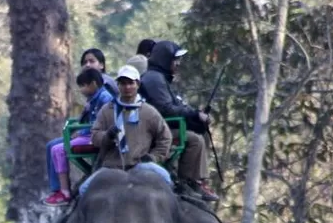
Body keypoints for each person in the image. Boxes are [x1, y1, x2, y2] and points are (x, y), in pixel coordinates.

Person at [61, 65, 172, 202]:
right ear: (118, 85)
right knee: (84, 190)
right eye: (123, 83)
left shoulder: (149, 112)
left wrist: (154, 157)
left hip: (140, 165)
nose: (127, 87)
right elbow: (95, 136)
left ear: (137, 84)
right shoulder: (107, 110)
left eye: (130, 83)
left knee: (167, 180)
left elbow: (165, 137)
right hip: (111, 167)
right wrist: (107, 136)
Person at [139, 40, 218, 200]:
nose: (178, 64)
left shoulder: (160, 77)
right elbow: (166, 109)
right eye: (175, 60)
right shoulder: (155, 79)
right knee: (195, 140)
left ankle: (195, 179)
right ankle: (189, 181)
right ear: (165, 59)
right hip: (156, 131)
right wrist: (194, 115)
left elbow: (174, 105)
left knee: (197, 134)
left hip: (162, 126)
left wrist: (195, 116)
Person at [44, 68, 114, 206]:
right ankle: (57, 189)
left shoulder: (105, 98)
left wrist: (81, 132)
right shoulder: (92, 99)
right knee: (52, 146)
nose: (81, 90)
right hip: (89, 133)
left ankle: (64, 192)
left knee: (58, 150)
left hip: (96, 136)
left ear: (93, 84)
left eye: (83, 86)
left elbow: (102, 123)